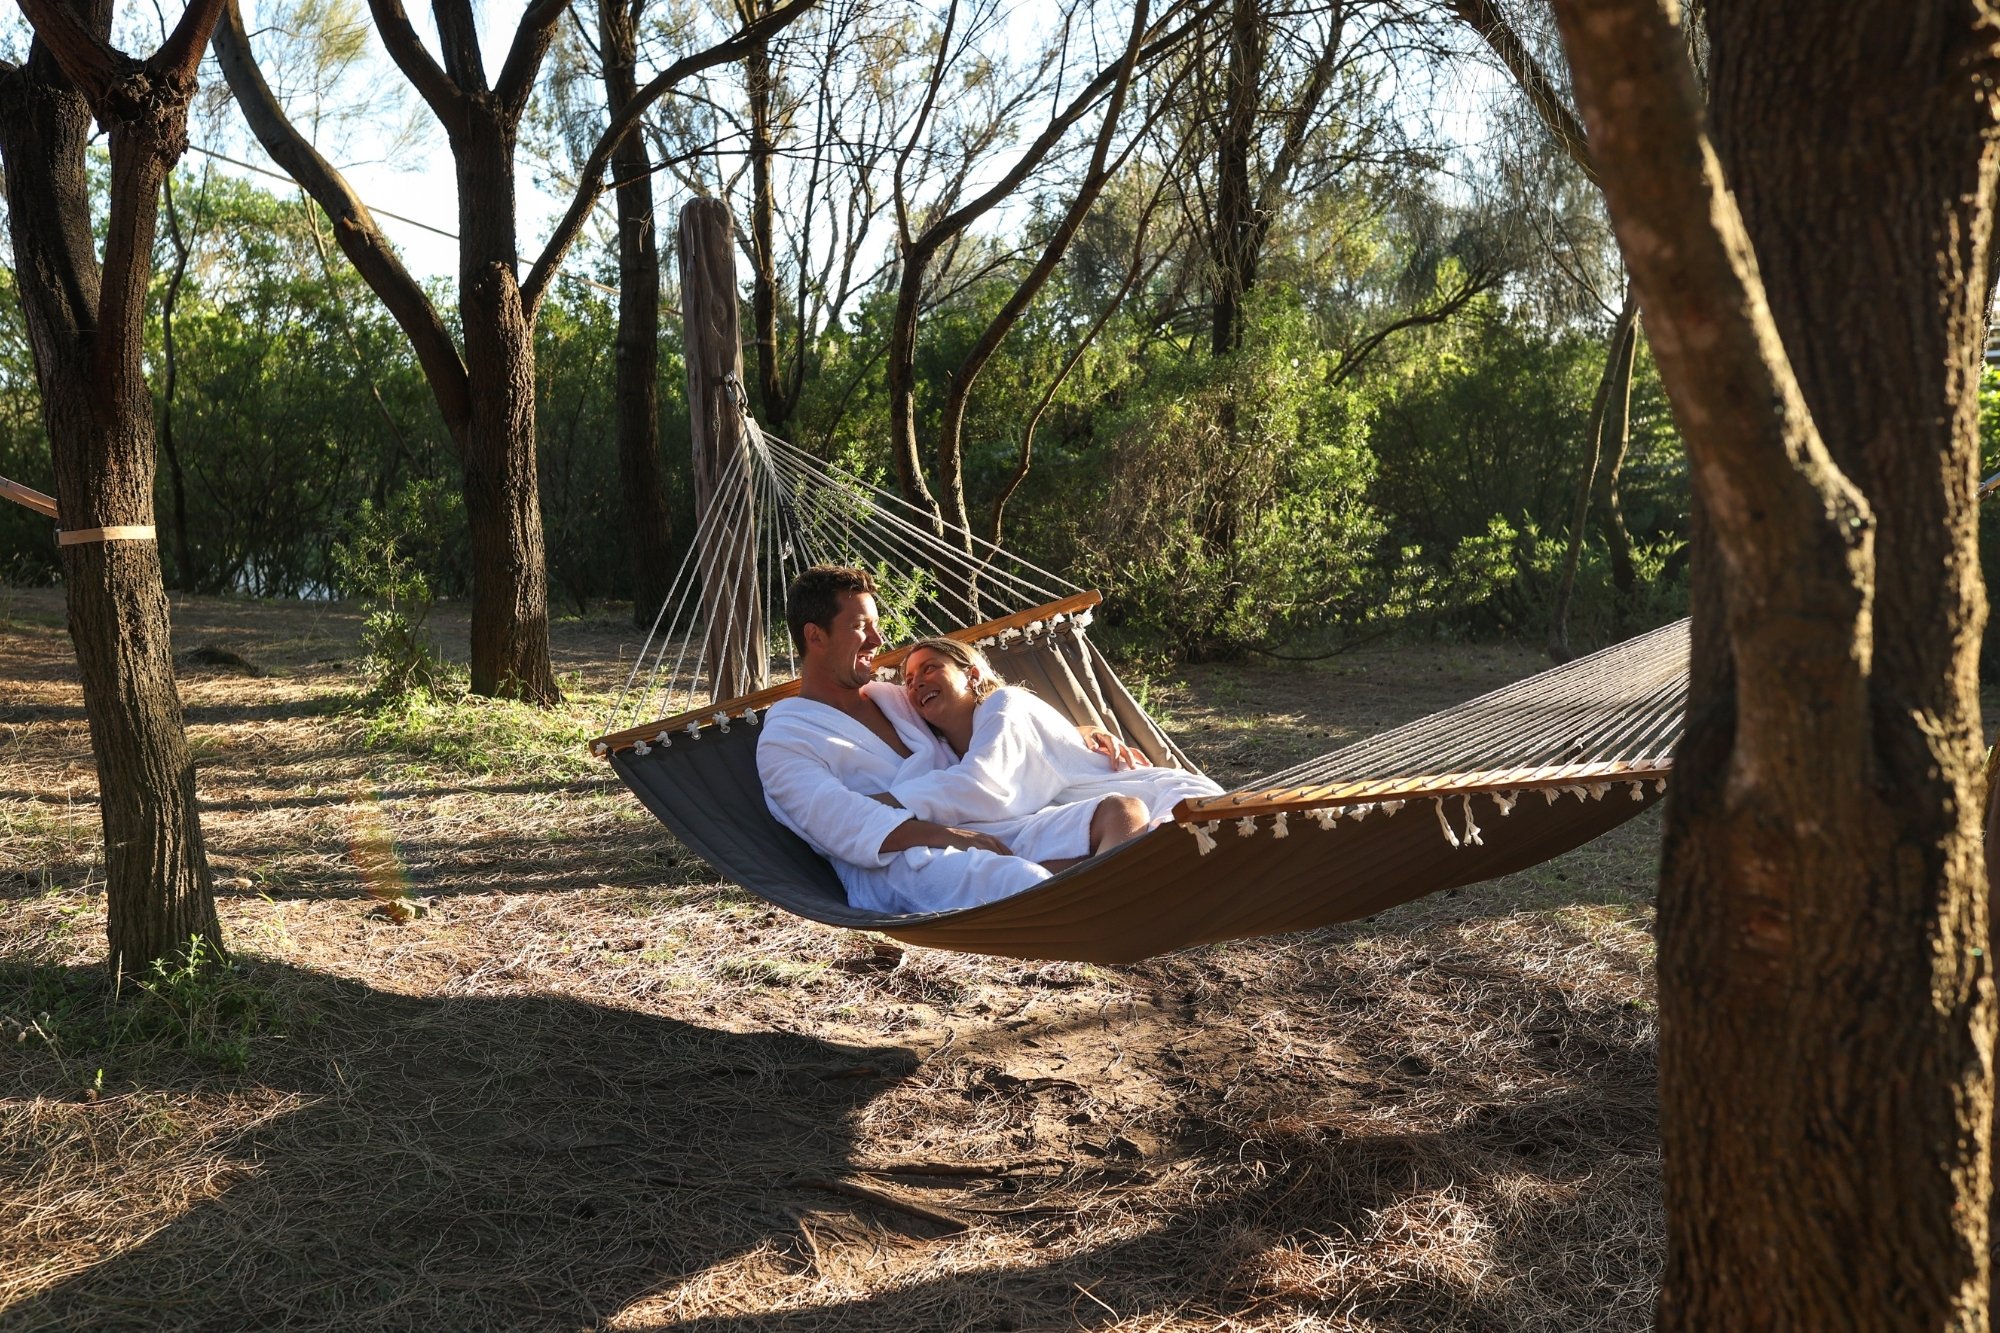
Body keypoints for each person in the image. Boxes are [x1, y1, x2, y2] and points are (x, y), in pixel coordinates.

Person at [758, 565, 1131, 915]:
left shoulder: (895, 700)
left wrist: (1076, 735)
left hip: (982, 827)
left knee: (1120, 812)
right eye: (860, 626)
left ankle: (1096, 898)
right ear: (815, 635)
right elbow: (837, 823)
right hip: (898, 861)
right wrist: (945, 836)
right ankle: (1096, 910)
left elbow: (979, 726)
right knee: (1020, 879)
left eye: (876, 625)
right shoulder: (786, 738)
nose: (878, 639)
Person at [890, 638, 1222, 870]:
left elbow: (985, 785)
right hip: (1080, 821)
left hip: (1159, 802)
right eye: (908, 679)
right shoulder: (945, 752)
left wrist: (879, 804)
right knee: (1019, 867)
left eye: (929, 668)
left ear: (973, 675)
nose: (916, 682)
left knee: (1123, 818)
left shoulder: (1003, 703)